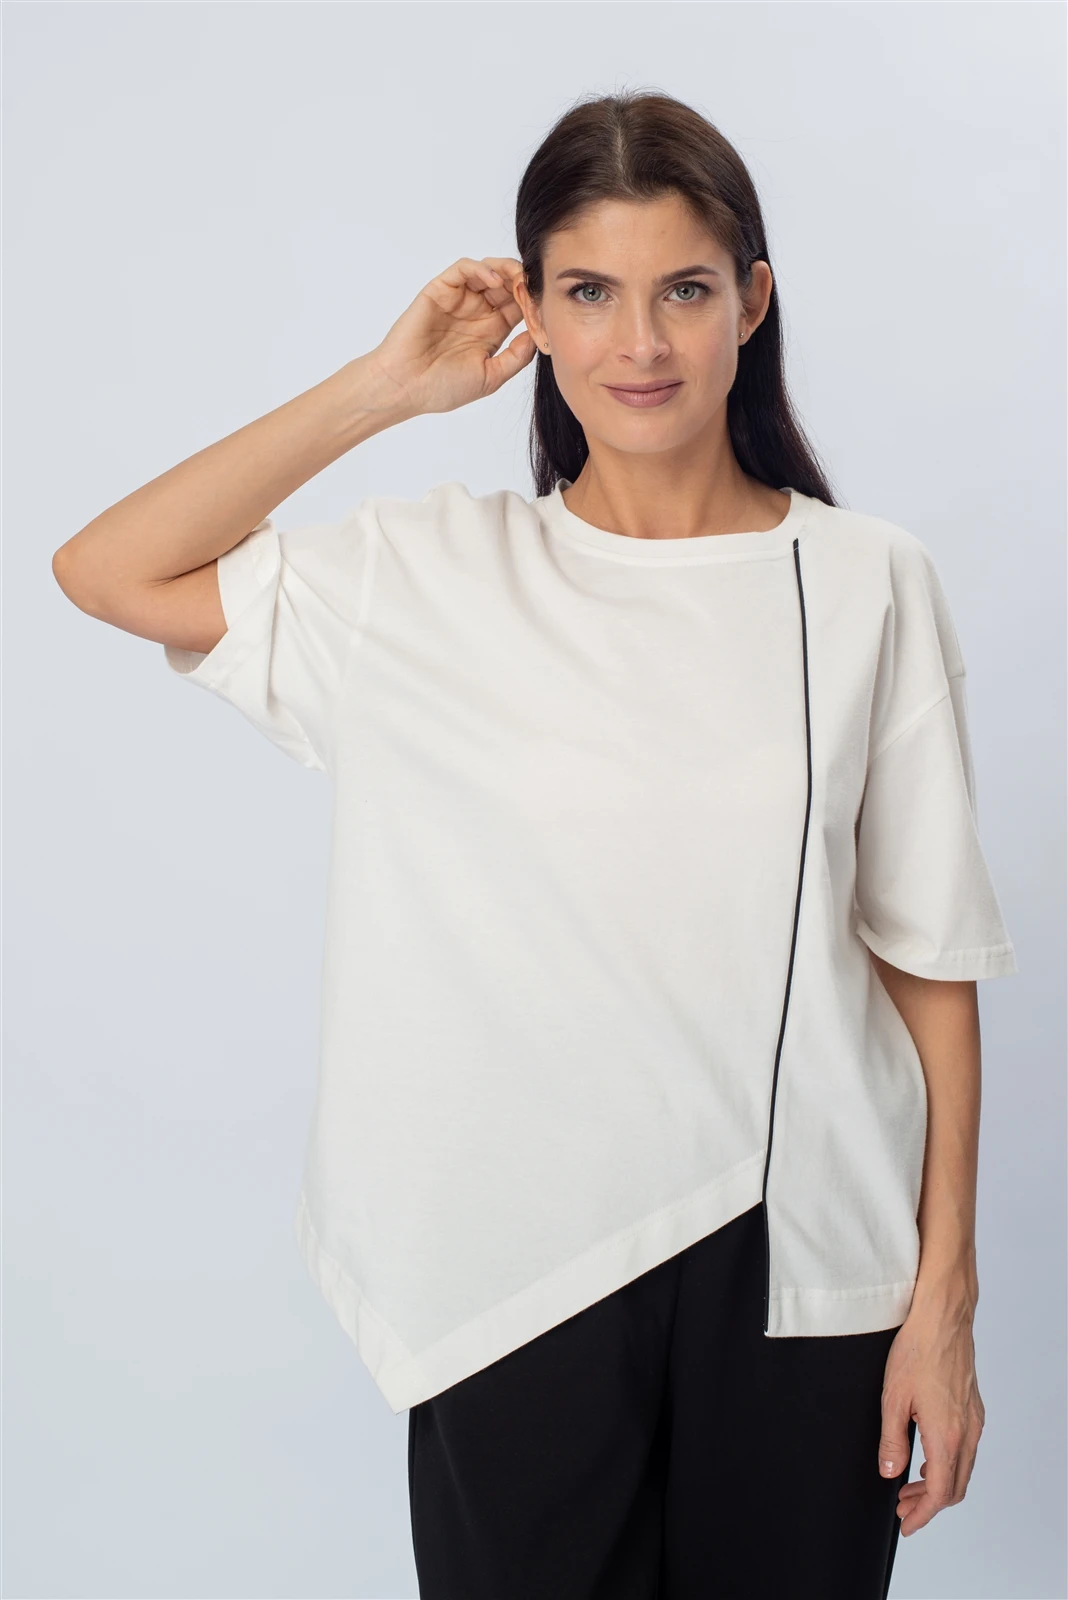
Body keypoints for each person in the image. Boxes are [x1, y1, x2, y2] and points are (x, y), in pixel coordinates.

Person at [52, 89, 1018, 1600]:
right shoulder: (428, 577)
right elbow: (107, 568)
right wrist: (382, 389)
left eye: (684, 290)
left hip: (803, 1272)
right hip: (516, 1273)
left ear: (753, 302)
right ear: (537, 316)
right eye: (589, 293)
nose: (641, 343)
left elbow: (927, 968)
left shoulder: (865, 582)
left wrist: (944, 1305)